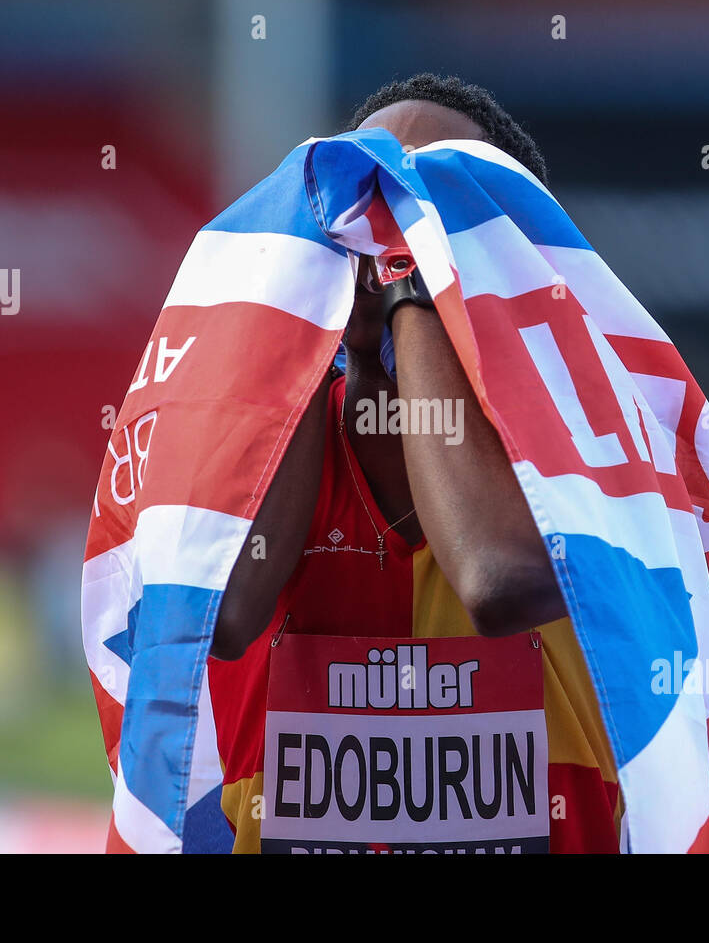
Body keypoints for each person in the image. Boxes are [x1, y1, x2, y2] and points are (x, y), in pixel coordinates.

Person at [205, 74, 622, 853]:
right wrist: (300, 306)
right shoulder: (273, 438)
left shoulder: (588, 442)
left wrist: (409, 284)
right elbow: (222, 611)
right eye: (367, 191)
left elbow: (496, 578)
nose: (386, 224)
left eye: (426, 201)